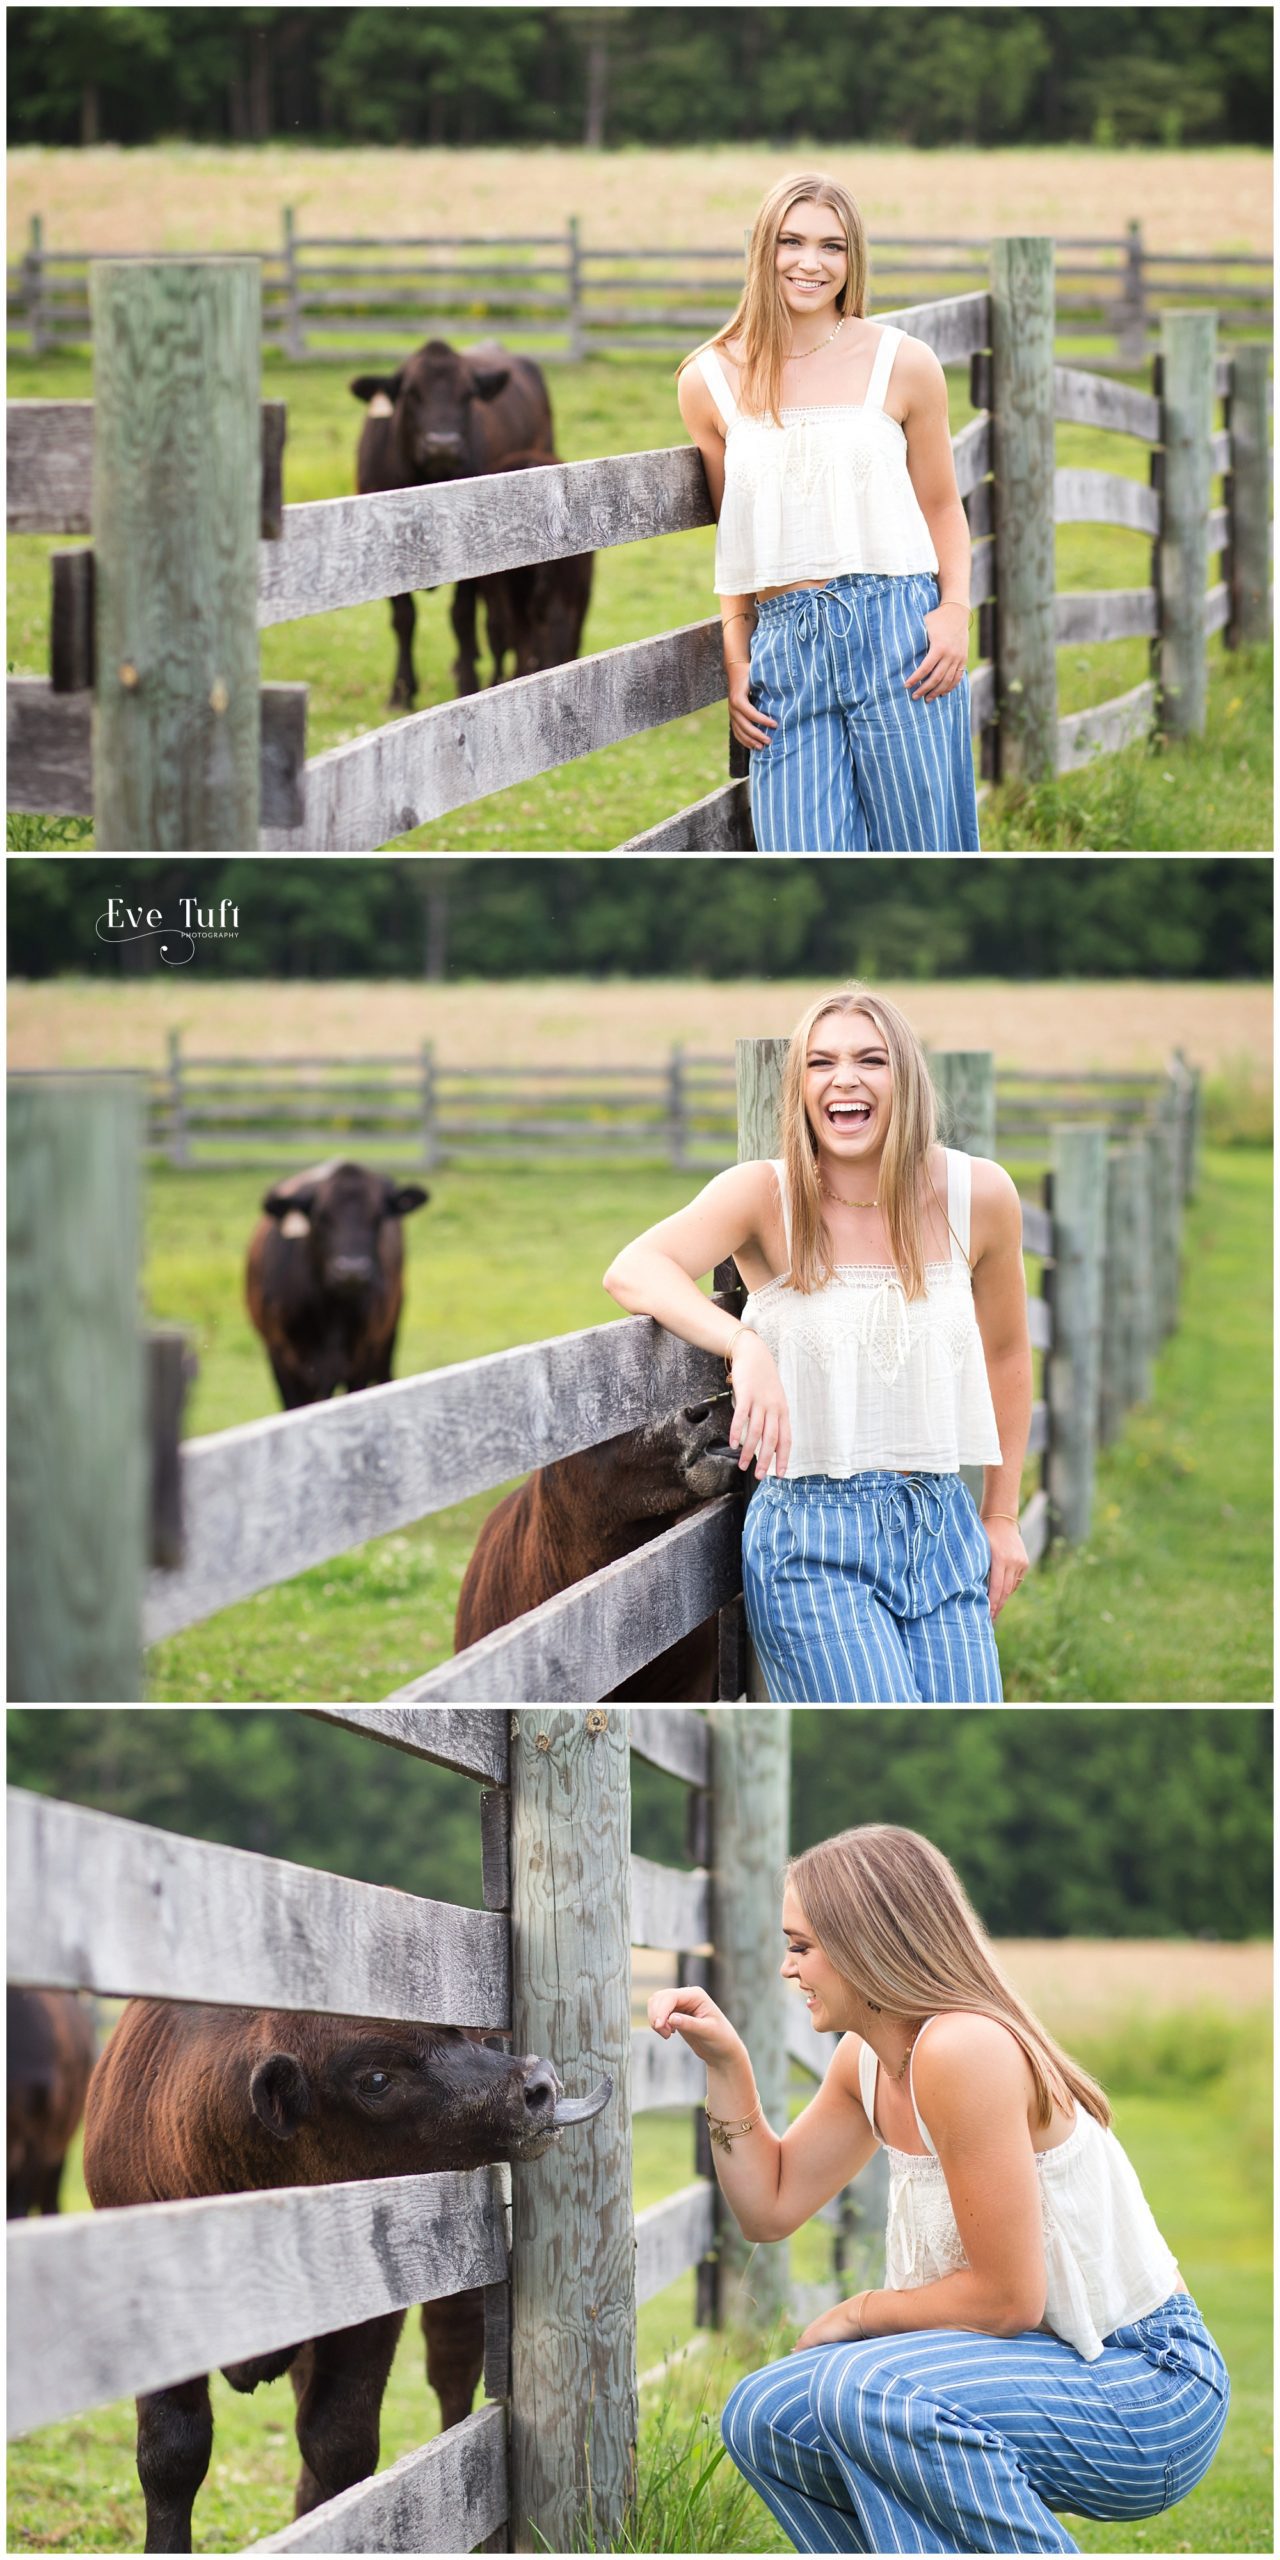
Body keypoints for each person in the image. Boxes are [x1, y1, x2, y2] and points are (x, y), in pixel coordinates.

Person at [648, 1824, 1230, 2555]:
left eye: (801, 1948)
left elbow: (1005, 2299)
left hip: (1142, 2384)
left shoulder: (964, 2048)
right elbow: (769, 2207)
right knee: (764, 2413)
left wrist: (859, 2312)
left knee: (859, 2390)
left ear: (867, 1944)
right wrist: (727, 2064)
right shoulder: (864, 2059)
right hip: (1036, 2372)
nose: (787, 1969)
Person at [602, 983, 1029, 1703]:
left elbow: (1008, 1355)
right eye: (820, 1063)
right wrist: (744, 1345)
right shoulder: (764, 1195)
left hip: (942, 1523)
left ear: (908, 1079)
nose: (845, 1080)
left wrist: (1002, 1515)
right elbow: (634, 1269)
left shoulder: (977, 1195)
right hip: (812, 1538)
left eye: (871, 1060)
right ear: (799, 1086)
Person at [676, 171, 981, 853]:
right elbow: (739, 537)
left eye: (832, 247)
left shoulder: (904, 363)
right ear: (762, 249)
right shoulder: (709, 380)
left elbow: (940, 505)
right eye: (791, 241)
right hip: (785, 651)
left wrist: (954, 612)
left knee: (920, 852)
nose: (810, 263)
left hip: (900, 637)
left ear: (853, 259)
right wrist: (736, 661)